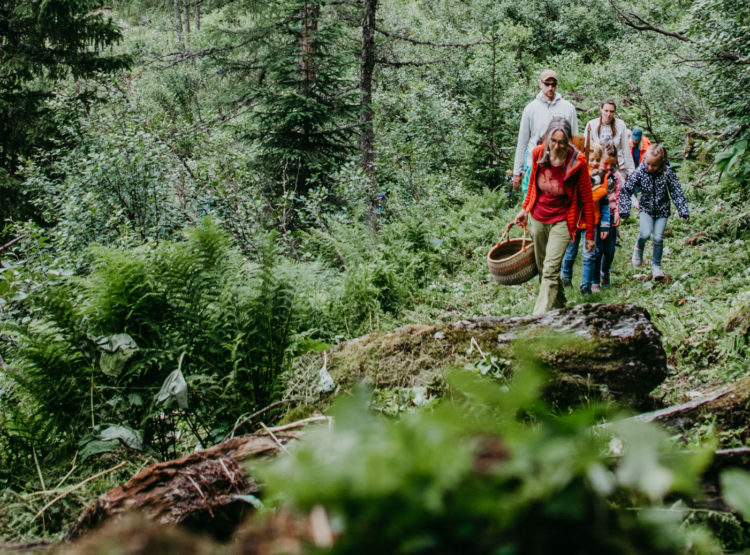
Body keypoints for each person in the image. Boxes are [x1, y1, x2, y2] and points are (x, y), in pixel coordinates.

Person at [514, 118, 595, 315]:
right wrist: (525, 209)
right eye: (553, 141)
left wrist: (590, 234)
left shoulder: (578, 162)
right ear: (547, 139)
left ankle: (536, 320)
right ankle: (562, 308)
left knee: (550, 270)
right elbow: (532, 184)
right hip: (538, 218)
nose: (557, 146)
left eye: (562, 142)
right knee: (543, 269)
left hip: (563, 220)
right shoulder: (538, 154)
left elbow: (586, 198)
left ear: (568, 141)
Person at [619, 144, 689, 280]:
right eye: (648, 164)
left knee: (658, 238)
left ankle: (656, 266)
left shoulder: (667, 173)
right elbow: (626, 190)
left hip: (662, 211)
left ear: (661, 163)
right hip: (646, 209)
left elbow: (676, 191)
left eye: (654, 166)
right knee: (645, 234)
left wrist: (683, 210)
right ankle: (638, 248)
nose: (650, 168)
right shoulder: (640, 172)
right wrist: (624, 210)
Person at [512, 69, 579, 196]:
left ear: (557, 85)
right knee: (531, 202)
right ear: (540, 84)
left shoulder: (568, 109)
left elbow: (574, 142)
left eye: (553, 84)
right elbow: (522, 141)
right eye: (547, 84)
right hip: (534, 165)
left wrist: (574, 168)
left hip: (560, 167)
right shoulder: (530, 109)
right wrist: (517, 171)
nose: (550, 88)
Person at [561, 142, 610, 295]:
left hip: (591, 221)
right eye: (592, 159)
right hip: (575, 221)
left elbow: (603, 199)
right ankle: (566, 276)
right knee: (570, 253)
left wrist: (605, 224)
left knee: (589, 254)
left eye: (597, 160)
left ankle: (585, 286)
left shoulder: (601, 177)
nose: (594, 163)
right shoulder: (577, 171)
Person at [596, 141, 624, 289]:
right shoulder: (595, 173)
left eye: (611, 164)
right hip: (598, 215)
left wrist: (618, 212)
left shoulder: (616, 175)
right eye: (605, 163)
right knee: (598, 248)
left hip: (612, 213)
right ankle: (595, 277)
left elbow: (620, 194)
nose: (608, 167)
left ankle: (605, 271)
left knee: (610, 249)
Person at [583, 99, 636, 176]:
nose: (608, 114)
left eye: (611, 111)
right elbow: (586, 150)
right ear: (601, 109)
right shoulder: (591, 125)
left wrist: (631, 171)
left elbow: (626, 149)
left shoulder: (620, 125)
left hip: (618, 167)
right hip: (598, 167)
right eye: (606, 111)